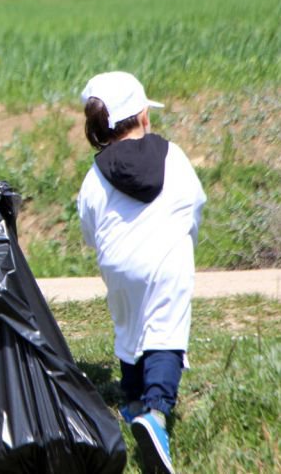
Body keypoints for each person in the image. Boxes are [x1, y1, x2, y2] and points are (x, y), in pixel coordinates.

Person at [76, 71, 206, 474]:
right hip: (167, 258)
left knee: (129, 328)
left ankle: (132, 401)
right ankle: (156, 413)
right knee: (165, 331)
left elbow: (89, 225)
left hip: (118, 265)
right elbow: (193, 202)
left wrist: (108, 256)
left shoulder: (96, 174)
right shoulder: (174, 155)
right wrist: (186, 242)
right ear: (144, 116)